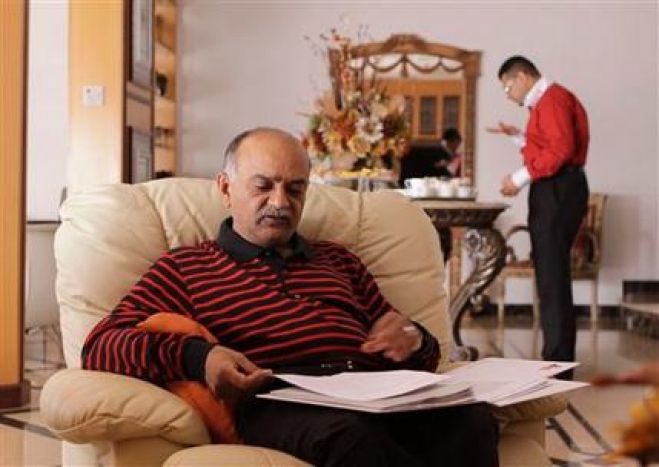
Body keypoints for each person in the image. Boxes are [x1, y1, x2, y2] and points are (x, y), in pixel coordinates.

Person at [81, 127, 499, 467]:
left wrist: (414, 337)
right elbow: (101, 344)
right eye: (263, 186)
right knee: (353, 440)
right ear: (226, 189)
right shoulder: (186, 268)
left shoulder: (339, 261)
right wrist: (199, 357)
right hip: (282, 400)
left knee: (472, 420)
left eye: (296, 190)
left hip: (372, 388)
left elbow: (412, 346)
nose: (281, 203)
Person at [487, 56, 589, 377]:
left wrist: (517, 179)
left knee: (553, 279)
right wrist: (519, 136)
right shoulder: (546, 103)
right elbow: (548, 144)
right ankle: (556, 358)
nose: (507, 93)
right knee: (550, 277)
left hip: (557, 190)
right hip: (555, 189)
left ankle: (558, 364)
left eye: (507, 85)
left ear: (523, 76)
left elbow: (560, 151)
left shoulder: (552, 99)